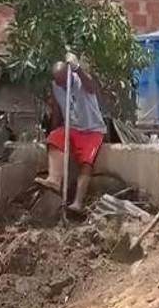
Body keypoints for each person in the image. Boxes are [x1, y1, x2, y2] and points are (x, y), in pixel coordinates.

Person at [35, 55, 106, 215]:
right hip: (72, 127)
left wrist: (77, 68)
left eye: (63, 81)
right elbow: (57, 112)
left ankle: (77, 203)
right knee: (54, 138)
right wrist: (52, 130)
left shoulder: (81, 80)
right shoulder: (56, 86)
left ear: (69, 74)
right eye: (59, 82)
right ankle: (54, 180)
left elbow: (91, 87)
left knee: (86, 163)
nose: (62, 86)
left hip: (92, 129)